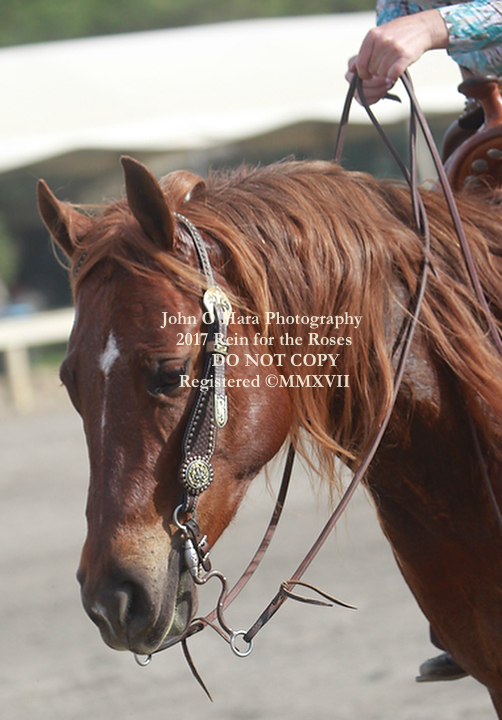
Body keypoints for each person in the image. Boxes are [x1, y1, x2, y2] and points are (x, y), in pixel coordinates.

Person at [347, 0, 502, 683]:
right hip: (484, 131)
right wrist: (380, 59)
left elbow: (418, 21)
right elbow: (397, 17)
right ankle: (470, 594)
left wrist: (434, 27)